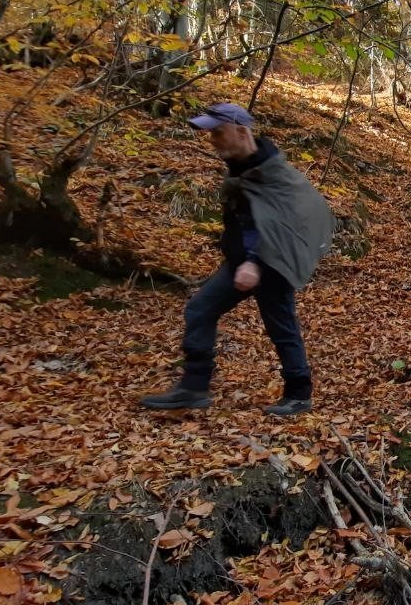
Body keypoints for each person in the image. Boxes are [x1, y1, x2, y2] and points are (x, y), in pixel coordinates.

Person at [140, 103, 335, 415]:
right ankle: (194, 387)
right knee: (201, 309)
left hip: (272, 262)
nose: (212, 140)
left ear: (242, 132)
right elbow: (251, 217)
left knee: (281, 326)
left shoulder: (275, 173)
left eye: (218, 132)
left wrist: (255, 261)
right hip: (243, 260)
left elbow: (293, 217)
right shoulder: (244, 169)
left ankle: (299, 393)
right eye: (210, 133)